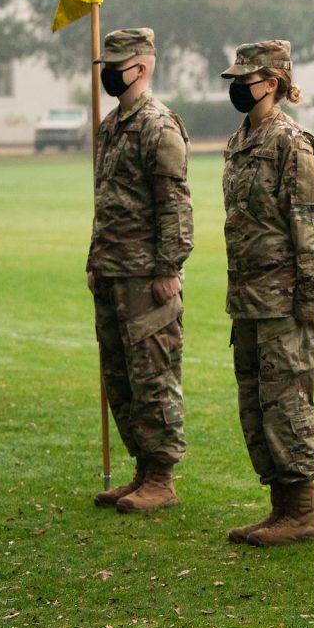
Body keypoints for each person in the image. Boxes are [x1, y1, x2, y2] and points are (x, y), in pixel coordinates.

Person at [219, 40, 314, 546]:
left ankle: (302, 512)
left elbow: (311, 226)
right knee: (256, 402)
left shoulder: (292, 142)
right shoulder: (242, 139)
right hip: (247, 297)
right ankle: (279, 507)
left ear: (271, 82)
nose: (237, 88)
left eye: (245, 80)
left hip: (284, 299)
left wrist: (311, 297)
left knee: (287, 403)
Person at [86, 28, 193, 513]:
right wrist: (94, 259)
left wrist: (169, 267)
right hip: (111, 271)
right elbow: (106, 200)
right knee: (120, 375)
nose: (109, 72)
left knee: (153, 373)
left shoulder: (158, 125)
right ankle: (141, 470)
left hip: (147, 274)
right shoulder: (110, 127)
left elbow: (174, 204)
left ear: (142, 66)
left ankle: (162, 477)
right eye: (105, 64)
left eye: (117, 64)